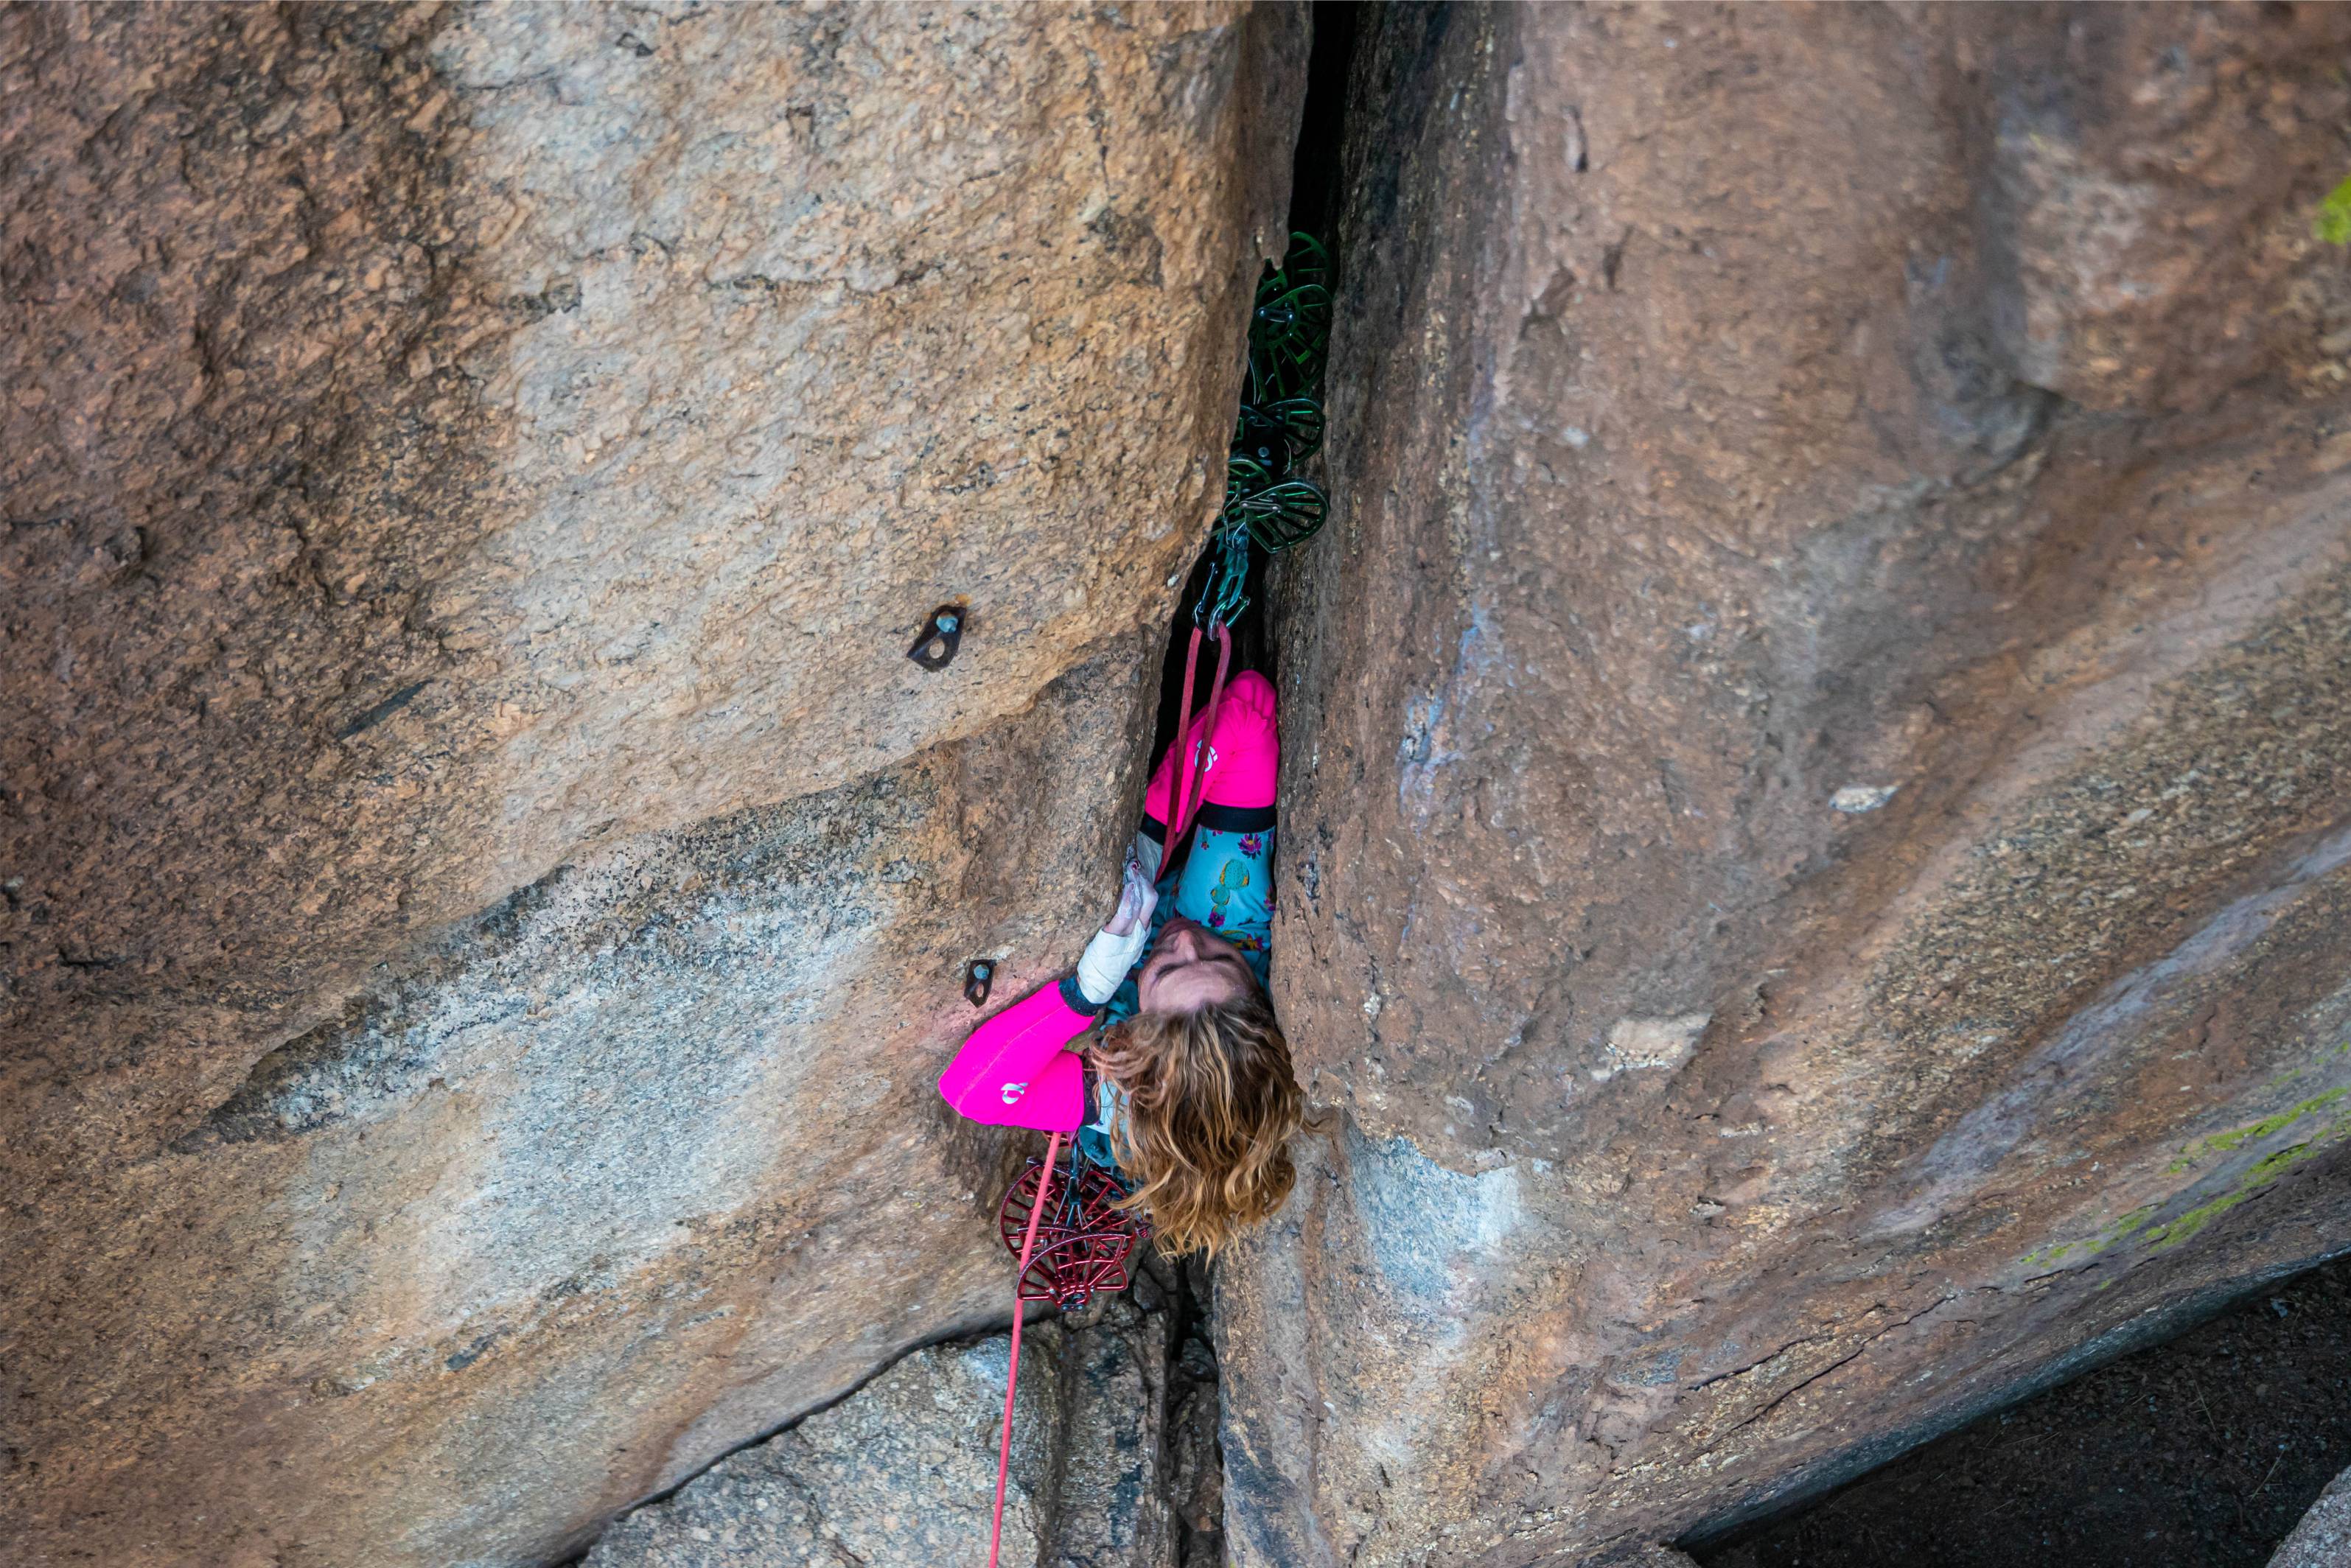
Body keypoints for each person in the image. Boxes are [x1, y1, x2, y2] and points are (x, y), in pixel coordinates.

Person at [937, 668, 1303, 1256]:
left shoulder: (1123, 1094)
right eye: (1216, 960)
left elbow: (971, 1092)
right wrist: (1147, 845)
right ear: (1251, 989)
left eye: (1169, 970)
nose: (1185, 941)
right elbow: (1252, 713)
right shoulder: (1234, 926)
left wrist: (1086, 993)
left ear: (1133, 1045)